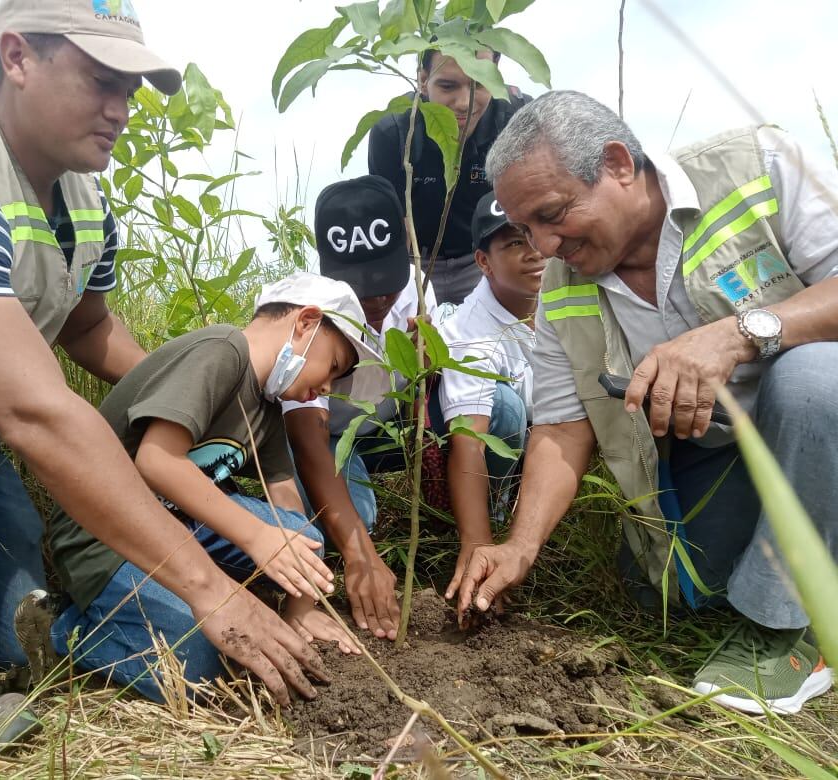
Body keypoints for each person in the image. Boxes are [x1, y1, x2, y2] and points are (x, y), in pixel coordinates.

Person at [0, 0, 325, 765]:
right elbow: (33, 411)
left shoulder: (83, 201)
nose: (121, 109)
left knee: (12, 632)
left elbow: (85, 328)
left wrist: (186, 398)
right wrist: (211, 589)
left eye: (132, 90)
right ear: (17, 57)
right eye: (101, 81)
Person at [458, 89, 837, 715]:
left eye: (553, 214)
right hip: (725, 453)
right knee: (682, 587)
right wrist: (520, 546)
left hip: (818, 417)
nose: (545, 246)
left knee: (813, 380)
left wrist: (740, 332)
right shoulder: (562, 286)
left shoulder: (758, 168)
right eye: (527, 229)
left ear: (617, 164)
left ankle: (783, 634)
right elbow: (560, 424)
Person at [32, 272, 386, 697]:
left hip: (178, 528)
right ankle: (62, 630)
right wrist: (256, 536)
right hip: (106, 534)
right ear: (306, 322)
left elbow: (286, 504)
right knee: (204, 665)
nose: (327, 387)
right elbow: (156, 461)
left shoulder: (267, 408)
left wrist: (300, 604)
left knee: (303, 538)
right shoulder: (221, 350)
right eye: (333, 366)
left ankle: (180, 603)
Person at [283, 175, 436, 641]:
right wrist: (359, 554)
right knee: (359, 518)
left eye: (385, 286)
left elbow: (433, 380)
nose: (375, 301)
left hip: (386, 428)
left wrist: (428, 361)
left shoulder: (414, 294)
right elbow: (309, 440)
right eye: (360, 291)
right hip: (330, 436)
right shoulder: (310, 313)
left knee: (506, 411)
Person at [427, 191, 545, 605]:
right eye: (514, 243)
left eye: (534, 235)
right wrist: (478, 543)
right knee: (505, 407)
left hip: (546, 428)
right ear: (483, 262)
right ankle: (494, 509)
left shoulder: (564, 294)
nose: (533, 252)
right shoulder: (472, 334)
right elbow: (469, 440)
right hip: (476, 434)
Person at [368, 46, 529, 305]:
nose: (464, 102)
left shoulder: (516, 122)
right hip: (415, 259)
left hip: (487, 256)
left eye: (480, 83)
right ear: (423, 81)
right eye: (447, 86)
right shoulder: (394, 131)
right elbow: (397, 228)